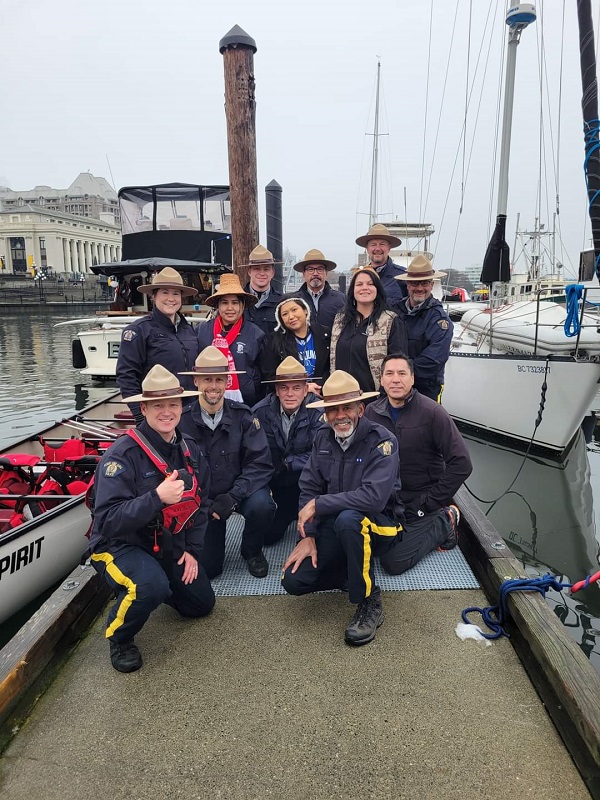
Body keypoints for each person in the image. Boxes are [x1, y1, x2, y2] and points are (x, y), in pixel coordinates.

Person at [88, 364, 215, 673]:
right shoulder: (121, 456)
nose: (166, 411)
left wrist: (192, 551)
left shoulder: (190, 450)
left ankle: (150, 587)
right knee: (150, 585)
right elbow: (107, 521)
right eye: (157, 404)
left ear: (183, 407)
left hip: (165, 543)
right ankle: (120, 636)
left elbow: (201, 504)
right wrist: (156, 498)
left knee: (201, 605)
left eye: (173, 403)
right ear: (143, 407)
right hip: (120, 545)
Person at [281, 370, 405, 647]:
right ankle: (351, 569)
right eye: (332, 409)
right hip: (337, 524)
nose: (340, 415)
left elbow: (374, 498)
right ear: (325, 413)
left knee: (350, 520)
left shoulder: (383, 441)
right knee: (293, 582)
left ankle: (369, 601)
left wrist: (320, 504)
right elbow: (309, 488)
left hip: (381, 524)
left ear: (360, 408)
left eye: (347, 407)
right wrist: (308, 536)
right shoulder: (322, 438)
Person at [365, 353, 470, 570]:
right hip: (386, 501)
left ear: (412, 379)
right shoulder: (371, 413)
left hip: (421, 501)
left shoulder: (432, 412)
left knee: (393, 562)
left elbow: (461, 463)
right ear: (381, 379)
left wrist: (429, 502)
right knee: (362, 545)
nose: (396, 379)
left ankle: (444, 521)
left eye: (402, 373)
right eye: (389, 374)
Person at [178, 346, 275, 579]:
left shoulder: (244, 416)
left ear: (227, 381)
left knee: (263, 505)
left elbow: (260, 463)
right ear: (196, 381)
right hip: (202, 500)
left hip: (237, 492)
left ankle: (251, 550)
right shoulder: (181, 422)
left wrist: (232, 497)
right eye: (207, 379)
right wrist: (204, 503)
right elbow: (177, 471)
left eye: (219, 379)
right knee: (210, 570)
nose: (213, 386)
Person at [253, 356, 324, 544]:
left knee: (314, 537)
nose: (290, 394)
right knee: (268, 538)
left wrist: (289, 462)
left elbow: (321, 456)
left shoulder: (318, 414)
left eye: (296, 387)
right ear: (276, 390)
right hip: (275, 483)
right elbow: (253, 454)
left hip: (308, 483)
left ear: (305, 388)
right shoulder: (259, 412)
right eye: (284, 387)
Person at [116, 267, 200, 423]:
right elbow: (127, 378)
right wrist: (141, 418)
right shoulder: (139, 331)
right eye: (165, 292)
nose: (171, 298)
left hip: (191, 413)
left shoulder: (188, 330)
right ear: (153, 296)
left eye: (176, 293)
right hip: (159, 416)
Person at [330, 267, 407, 394]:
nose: (364, 288)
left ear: (378, 289)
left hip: (374, 399)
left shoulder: (390, 320)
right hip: (342, 398)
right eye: (359, 284)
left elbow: (398, 363)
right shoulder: (340, 320)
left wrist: (383, 396)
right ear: (353, 290)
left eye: (370, 284)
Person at [196, 272, 265, 407]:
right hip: (208, 401)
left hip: (246, 404)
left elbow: (263, 373)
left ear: (242, 305)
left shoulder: (255, 334)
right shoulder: (202, 331)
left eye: (234, 303)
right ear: (218, 306)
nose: (230, 308)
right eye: (224, 303)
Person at [395, 254, 454, 402]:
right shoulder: (394, 311)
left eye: (424, 283)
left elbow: (434, 360)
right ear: (407, 285)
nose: (420, 288)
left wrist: (399, 373)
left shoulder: (440, 320)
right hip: (395, 387)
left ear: (432, 285)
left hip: (426, 389)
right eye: (415, 284)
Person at [260, 296, 330, 396]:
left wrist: (319, 386)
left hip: (321, 394)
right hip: (290, 397)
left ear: (305, 310)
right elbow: (270, 375)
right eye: (285, 314)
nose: (291, 316)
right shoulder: (273, 341)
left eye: (294, 310)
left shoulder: (324, 334)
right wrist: (304, 388)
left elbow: (330, 366)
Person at [355, 223, 407, 312]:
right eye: (373, 244)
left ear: (389, 248)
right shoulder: (359, 276)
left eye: (382, 244)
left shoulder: (403, 276)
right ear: (367, 248)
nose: (378, 248)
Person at [290, 249, 345, 330]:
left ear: (326, 273)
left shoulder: (341, 300)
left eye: (320, 269)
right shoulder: (293, 300)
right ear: (304, 274)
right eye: (310, 269)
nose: (315, 273)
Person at [241, 244, 283, 334]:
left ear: (273, 273)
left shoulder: (282, 302)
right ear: (249, 272)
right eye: (257, 268)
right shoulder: (238, 300)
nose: (262, 273)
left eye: (266, 269)